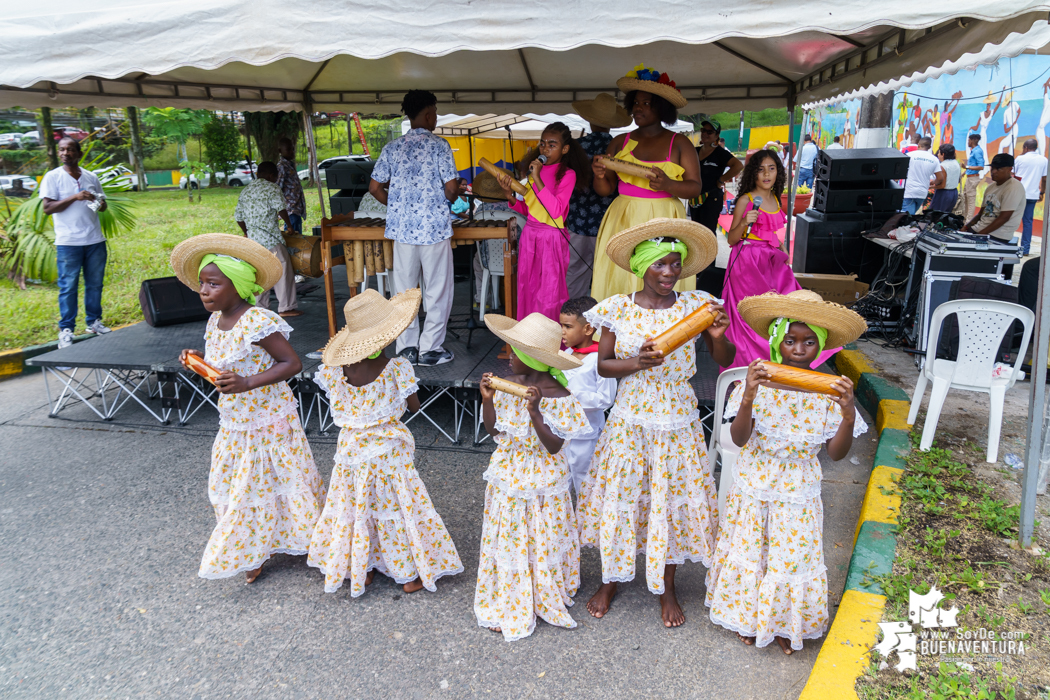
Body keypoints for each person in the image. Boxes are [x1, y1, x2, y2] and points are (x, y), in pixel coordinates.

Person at [578, 219, 735, 629]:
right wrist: (637, 362)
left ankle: (667, 586)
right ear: (642, 266)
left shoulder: (695, 307)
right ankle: (612, 579)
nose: (669, 273)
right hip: (630, 417)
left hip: (678, 418)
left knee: (668, 501)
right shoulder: (618, 308)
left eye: (675, 264)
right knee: (625, 496)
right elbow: (604, 366)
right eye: (660, 264)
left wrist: (717, 334)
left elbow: (724, 358)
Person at [706, 290, 867, 655]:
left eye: (809, 342)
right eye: (790, 340)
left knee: (790, 556)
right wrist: (746, 397)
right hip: (755, 481)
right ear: (777, 340)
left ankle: (781, 622)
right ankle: (745, 617)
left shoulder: (827, 392)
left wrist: (846, 412)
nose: (799, 348)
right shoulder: (759, 384)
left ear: (820, 347)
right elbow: (738, 438)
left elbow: (837, 454)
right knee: (752, 549)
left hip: (798, 487)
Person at [171, 233, 324, 584]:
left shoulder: (256, 320)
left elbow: (292, 363)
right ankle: (252, 548)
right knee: (243, 486)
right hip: (236, 421)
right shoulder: (215, 321)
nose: (204, 291)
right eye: (202, 284)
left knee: (279, 479)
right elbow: (225, 367)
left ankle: (303, 539)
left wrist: (248, 383)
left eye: (213, 284)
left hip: (268, 419)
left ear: (238, 287)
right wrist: (196, 362)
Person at [308, 288, 462, 596]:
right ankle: (406, 574)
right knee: (397, 505)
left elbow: (338, 404)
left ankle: (360, 568)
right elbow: (414, 406)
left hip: (351, 449)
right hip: (388, 450)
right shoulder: (396, 368)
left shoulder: (332, 370)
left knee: (357, 506)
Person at [476, 313, 590, 641]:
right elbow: (493, 430)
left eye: (511, 351)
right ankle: (513, 584)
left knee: (544, 533)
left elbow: (554, 446)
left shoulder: (559, 396)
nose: (506, 356)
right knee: (512, 532)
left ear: (527, 358)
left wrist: (536, 413)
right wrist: (487, 401)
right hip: (509, 470)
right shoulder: (508, 387)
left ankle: (544, 582)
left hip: (542, 474)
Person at [589, 65, 702, 301]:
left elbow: (695, 187)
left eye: (646, 103)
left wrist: (668, 185)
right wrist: (599, 175)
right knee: (621, 275)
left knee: (663, 272)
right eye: (636, 103)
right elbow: (605, 190)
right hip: (624, 217)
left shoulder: (680, 142)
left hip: (664, 217)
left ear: (661, 108)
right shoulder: (619, 141)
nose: (638, 108)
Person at [369, 90, 464, 366]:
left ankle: (407, 348)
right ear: (427, 114)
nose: (435, 117)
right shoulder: (439, 146)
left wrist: (397, 206)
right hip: (433, 230)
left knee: (404, 292)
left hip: (403, 233)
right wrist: (456, 190)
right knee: (436, 290)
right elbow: (449, 190)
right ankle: (430, 349)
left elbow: (374, 188)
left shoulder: (392, 148)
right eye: (434, 111)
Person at [722, 150, 834, 370]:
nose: (766, 174)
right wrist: (744, 221)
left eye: (771, 168)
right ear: (752, 173)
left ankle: (780, 361)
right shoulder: (746, 199)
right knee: (751, 315)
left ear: (778, 172)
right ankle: (748, 366)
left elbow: (773, 231)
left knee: (785, 308)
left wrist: (782, 249)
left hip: (772, 260)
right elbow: (732, 238)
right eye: (761, 169)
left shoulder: (774, 197)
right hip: (748, 262)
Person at [495, 122, 590, 322]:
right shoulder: (532, 174)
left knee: (550, 292)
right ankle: (529, 339)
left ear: (565, 149)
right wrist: (509, 195)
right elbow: (529, 210)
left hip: (551, 237)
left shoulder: (567, 174)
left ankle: (551, 341)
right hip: (530, 234)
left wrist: (537, 178)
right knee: (527, 288)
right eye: (542, 143)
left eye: (552, 144)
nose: (545, 148)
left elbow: (554, 210)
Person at [40, 137, 111, 348]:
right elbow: (48, 208)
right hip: (68, 243)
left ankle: (94, 322)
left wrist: (96, 202)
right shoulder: (52, 177)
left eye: (70, 149)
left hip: (95, 240)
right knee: (68, 287)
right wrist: (75, 197)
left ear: (78, 154)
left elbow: (104, 206)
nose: (65, 153)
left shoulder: (91, 176)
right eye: (62, 150)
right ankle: (67, 330)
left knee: (95, 285)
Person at [565, 94, 632, 299]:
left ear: (589, 120)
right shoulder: (621, 148)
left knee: (575, 274)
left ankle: (571, 321)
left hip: (578, 222)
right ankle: (606, 322)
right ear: (612, 124)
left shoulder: (574, 148)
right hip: (611, 222)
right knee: (609, 275)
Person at [558, 296, 617, 494]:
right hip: (563, 430)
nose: (562, 331)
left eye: (567, 326)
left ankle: (586, 522)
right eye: (561, 325)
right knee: (560, 479)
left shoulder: (599, 359)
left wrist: (572, 395)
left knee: (585, 481)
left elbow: (606, 399)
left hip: (586, 434)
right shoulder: (566, 354)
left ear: (588, 329)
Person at [234, 161, 300, 318]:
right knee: (283, 270)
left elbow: (238, 217)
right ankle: (286, 307)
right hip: (270, 239)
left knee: (259, 274)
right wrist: (289, 226)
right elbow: (281, 208)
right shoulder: (272, 188)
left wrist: (246, 232)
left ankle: (260, 308)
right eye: (276, 177)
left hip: (254, 242)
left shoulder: (246, 190)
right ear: (272, 176)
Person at [962, 153, 1026, 278]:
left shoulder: (1014, 188)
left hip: (996, 236)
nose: (994, 172)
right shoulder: (990, 187)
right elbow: (981, 214)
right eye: (992, 168)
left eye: (998, 169)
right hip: (980, 231)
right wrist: (966, 227)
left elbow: (1004, 217)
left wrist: (981, 235)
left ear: (1009, 169)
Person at [688, 117, 743, 236]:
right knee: (695, 232)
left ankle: (710, 255)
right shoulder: (694, 151)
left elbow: (738, 166)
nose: (705, 134)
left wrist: (721, 180)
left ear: (717, 135)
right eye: (703, 130)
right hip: (694, 197)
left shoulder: (720, 153)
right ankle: (698, 255)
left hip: (712, 198)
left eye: (710, 132)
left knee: (708, 233)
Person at [1013, 139, 1047, 256]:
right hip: (1033, 194)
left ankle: (1007, 244)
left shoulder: (1020, 159)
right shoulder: (1043, 160)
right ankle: (1025, 249)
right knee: (1028, 222)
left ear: (1025, 148)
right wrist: (1042, 193)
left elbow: (1014, 175)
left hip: (1019, 194)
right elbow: (1044, 179)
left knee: (1012, 219)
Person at [901, 137, 940, 215]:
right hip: (922, 193)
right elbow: (940, 178)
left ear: (918, 145)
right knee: (912, 216)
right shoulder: (934, 159)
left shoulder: (908, 155)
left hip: (908, 191)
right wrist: (932, 183)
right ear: (929, 147)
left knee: (906, 218)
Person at [275, 137, 306, 235]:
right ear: (280, 151)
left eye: (293, 149)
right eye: (288, 149)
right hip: (290, 209)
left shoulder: (290, 164)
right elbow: (277, 187)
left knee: (297, 235)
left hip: (296, 208)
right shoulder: (282, 166)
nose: (292, 152)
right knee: (294, 238)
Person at [957, 134, 986, 218]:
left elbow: (981, 166)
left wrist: (966, 167)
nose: (968, 142)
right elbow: (972, 165)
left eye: (968, 140)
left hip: (973, 178)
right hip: (969, 177)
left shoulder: (977, 151)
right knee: (965, 199)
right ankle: (964, 219)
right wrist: (964, 173)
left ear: (972, 141)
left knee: (970, 201)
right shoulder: (973, 151)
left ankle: (968, 221)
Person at [929, 144, 961, 213]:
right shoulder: (956, 163)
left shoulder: (943, 166)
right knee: (946, 215)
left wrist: (931, 187)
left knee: (936, 214)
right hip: (954, 193)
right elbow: (956, 180)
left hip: (944, 194)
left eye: (939, 153)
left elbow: (942, 185)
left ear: (943, 154)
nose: (938, 155)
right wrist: (933, 182)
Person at [1001, 91, 1020, 155]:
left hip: (1014, 129)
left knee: (1001, 144)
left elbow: (1019, 111)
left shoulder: (1014, 104)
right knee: (1011, 149)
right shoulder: (1005, 112)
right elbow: (1005, 130)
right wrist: (1013, 124)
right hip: (1012, 129)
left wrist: (1015, 121)